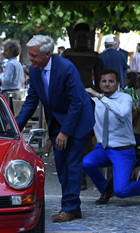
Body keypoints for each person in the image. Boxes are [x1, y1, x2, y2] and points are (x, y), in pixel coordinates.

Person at [15, 35, 95, 222]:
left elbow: (76, 102)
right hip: (57, 121)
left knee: (72, 164)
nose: (31, 59)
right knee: (61, 164)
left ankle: (69, 208)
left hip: (77, 120)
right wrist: (15, 127)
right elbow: (31, 101)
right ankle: (73, 206)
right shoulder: (34, 71)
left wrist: (65, 132)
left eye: (34, 55)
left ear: (47, 54)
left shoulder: (66, 68)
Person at [83, 69, 140, 205]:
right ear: (99, 83)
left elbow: (121, 112)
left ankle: (116, 189)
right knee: (87, 163)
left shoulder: (125, 98)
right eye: (104, 81)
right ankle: (106, 189)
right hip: (103, 148)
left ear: (118, 84)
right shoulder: (94, 100)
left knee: (122, 192)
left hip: (123, 150)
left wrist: (101, 97)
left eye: (111, 81)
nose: (107, 84)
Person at [61, 22, 103, 190]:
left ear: (89, 38)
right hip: (70, 99)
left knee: (86, 136)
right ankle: (74, 175)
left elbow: (99, 80)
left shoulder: (95, 56)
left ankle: (82, 177)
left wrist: (100, 98)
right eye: (79, 37)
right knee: (69, 135)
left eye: (84, 37)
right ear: (74, 38)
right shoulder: (67, 54)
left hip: (89, 99)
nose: (82, 39)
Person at [0, 40, 25, 115]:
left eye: (6, 50)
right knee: (15, 115)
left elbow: (7, 79)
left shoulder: (10, 64)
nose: (4, 52)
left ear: (12, 51)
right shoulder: (18, 63)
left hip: (9, 93)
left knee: (7, 116)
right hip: (17, 92)